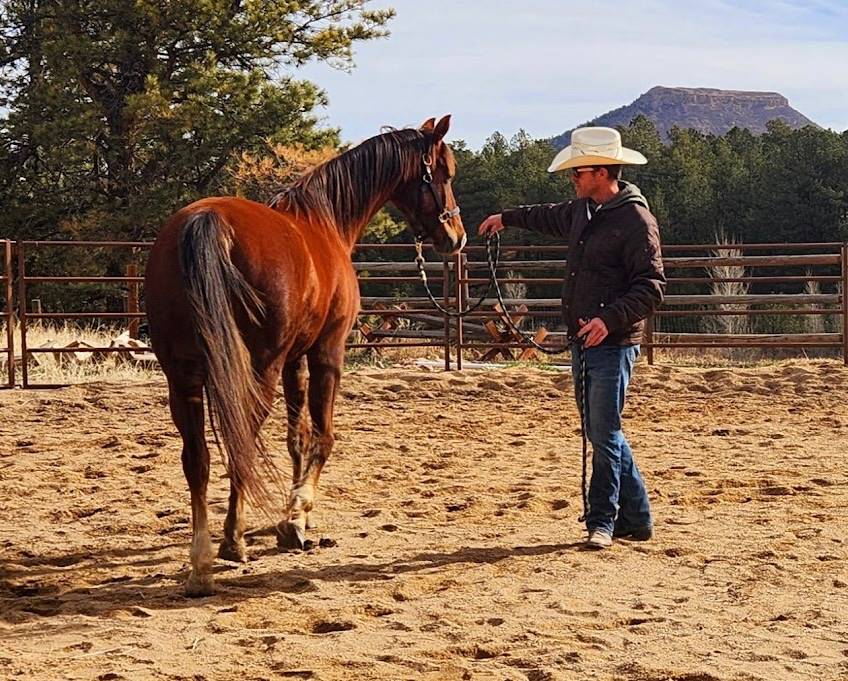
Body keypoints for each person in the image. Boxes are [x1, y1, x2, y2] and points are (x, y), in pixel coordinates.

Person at [478, 126, 666, 550]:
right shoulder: (583, 211)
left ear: (600, 172)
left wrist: (608, 321)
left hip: (612, 343)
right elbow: (545, 214)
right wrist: (505, 218)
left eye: (577, 173)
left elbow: (651, 286)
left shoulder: (637, 220)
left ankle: (602, 521)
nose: (573, 180)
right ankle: (637, 521)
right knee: (604, 430)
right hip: (584, 339)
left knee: (602, 431)